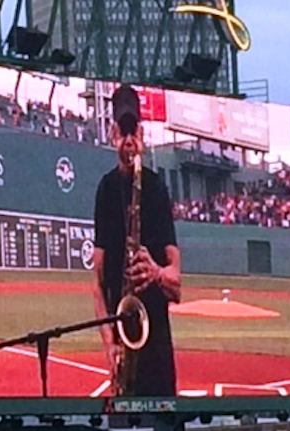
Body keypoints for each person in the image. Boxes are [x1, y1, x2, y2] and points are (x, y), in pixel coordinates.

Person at [93, 85, 181, 396]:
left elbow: (177, 284)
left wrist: (156, 272)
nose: (129, 141)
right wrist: (109, 343)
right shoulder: (105, 190)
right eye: (123, 131)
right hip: (122, 342)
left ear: (141, 134)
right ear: (113, 133)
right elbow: (98, 280)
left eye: (134, 132)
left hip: (156, 347)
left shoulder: (156, 189)